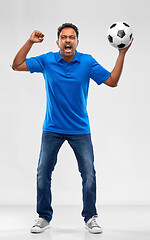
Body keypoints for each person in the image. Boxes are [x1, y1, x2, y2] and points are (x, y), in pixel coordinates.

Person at [12, 23, 132, 234]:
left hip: (80, 129)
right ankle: (43, 217)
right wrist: (30, 42)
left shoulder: (87, 62)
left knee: (88, 174)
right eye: (64, 37)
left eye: (72, 37)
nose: (68, 40)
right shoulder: (47, 60)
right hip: (52, 128)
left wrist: (121, 53)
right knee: (43, 173)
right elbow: (16, 65)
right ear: (58, 42)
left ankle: (90, 217)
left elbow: (112, 81)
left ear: (77, 41)